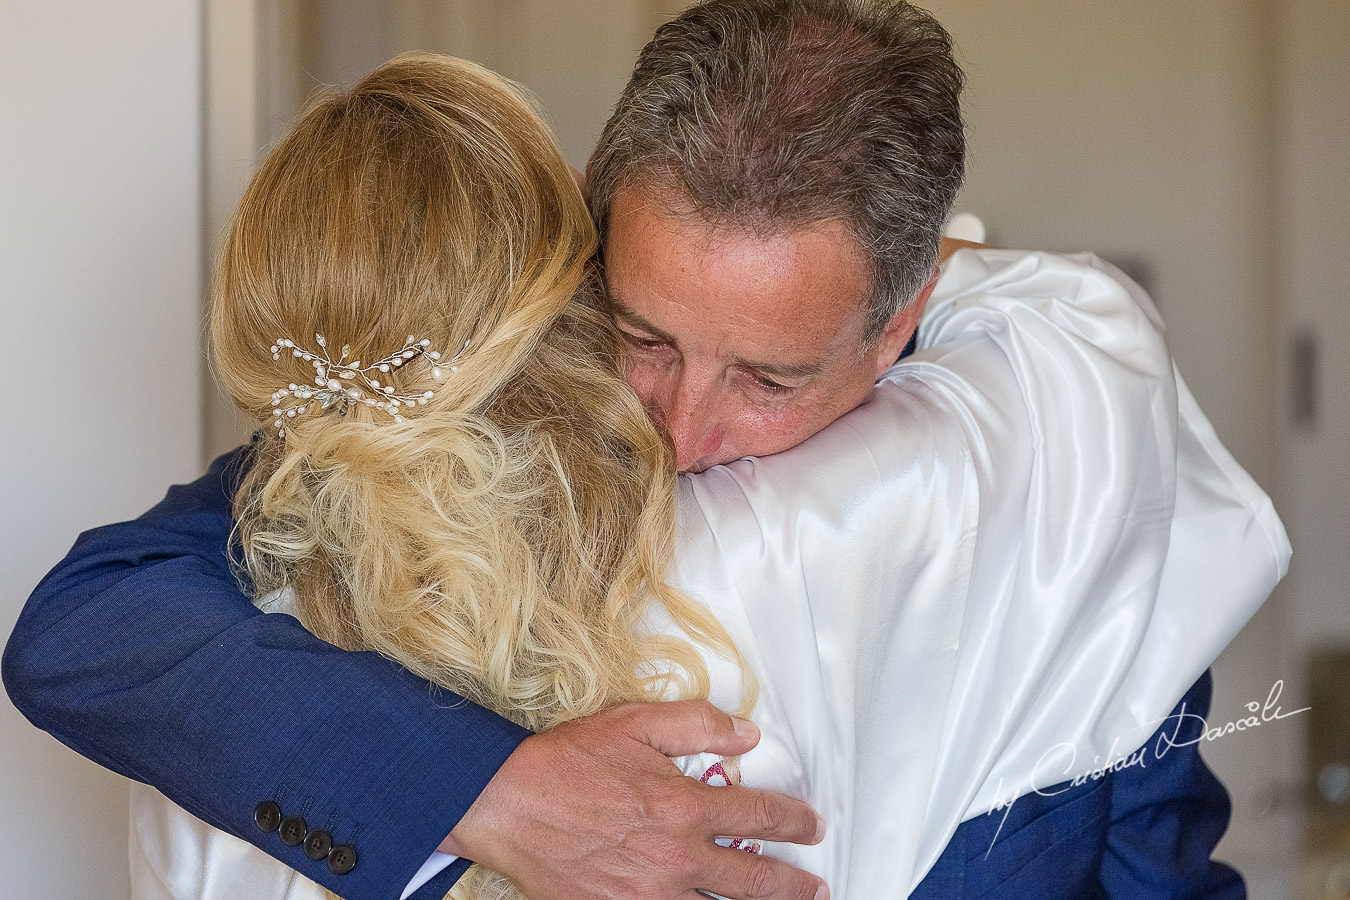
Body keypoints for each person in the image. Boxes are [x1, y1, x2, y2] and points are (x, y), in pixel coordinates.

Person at [1, 3, 1287, 900]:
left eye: (770, 377)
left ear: (906, 319)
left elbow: (1154, 865)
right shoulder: (458, 423)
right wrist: (487, 791)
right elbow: (89, 623)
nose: (680, 428)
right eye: (642, 335)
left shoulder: (1069, 447)